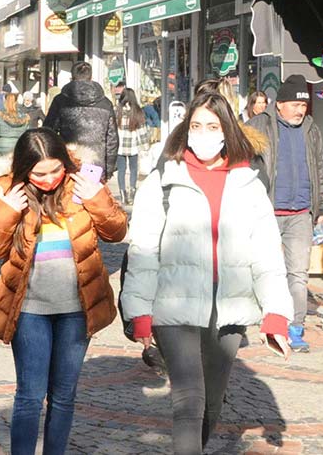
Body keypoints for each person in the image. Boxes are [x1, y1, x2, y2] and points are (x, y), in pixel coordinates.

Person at [122, 91, 293, 454]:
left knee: (211, 402)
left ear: (227, 130)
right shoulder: (162, 181)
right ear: (186, 129)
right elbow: (143, 252)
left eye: (213, 126)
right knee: (188, 401)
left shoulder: (249, 184)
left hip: (229, 308)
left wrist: (276, 314)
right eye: (197, 126)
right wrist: (139, 312)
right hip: (174, 305)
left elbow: (267, 255)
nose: (203, 134)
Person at [0, 128, 126, 455]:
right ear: (24, 169)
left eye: (56, 170)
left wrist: (97, 198)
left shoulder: (82, 183)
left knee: (63, 396)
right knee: (30, 396)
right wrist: (7, 211)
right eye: (39, 174)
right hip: (29, 310)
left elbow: (116, 232)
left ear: (65, 163)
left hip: (77, 309)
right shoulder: (6, 188)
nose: (49, 180)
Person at [246, 76, 323, 353]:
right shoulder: (259, 125)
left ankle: (295, 328)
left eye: (303, 105)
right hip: (266, 212)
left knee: (298, 274)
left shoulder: (311, 130)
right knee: (262, 269)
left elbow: (318, 170)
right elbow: (241, 165)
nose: (300, 110)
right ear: (280, 104)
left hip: (301, 213)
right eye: (295, 105)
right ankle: (260, 318)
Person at [42, 62, 118, 180]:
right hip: (96, 164)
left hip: (69, 161)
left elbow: (48, 133)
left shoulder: (60, 101)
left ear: (72, 77)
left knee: (68, 191)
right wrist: (109, 170)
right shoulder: (105, 104)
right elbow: (112, 140)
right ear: (91, 77)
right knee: (91, 191)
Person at [115, 88, 150, 205]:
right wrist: (145, 146)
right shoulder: (137, 112)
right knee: (133, 169)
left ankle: (122, 194)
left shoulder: (118, 111)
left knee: (121, 170)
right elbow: (142, 131)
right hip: (133, 146)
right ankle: (132, 193)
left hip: (119, 146)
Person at [0, 92, 31, 159]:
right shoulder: (24, 118)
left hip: (1, 149)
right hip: (18, 149)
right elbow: (28, 136)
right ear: (16, 102)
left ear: (5, 102)